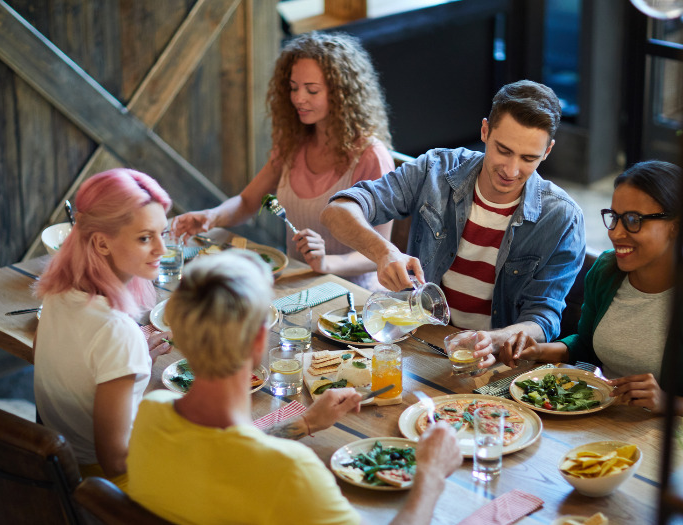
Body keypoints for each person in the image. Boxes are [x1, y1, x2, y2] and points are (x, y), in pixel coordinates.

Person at [127, 251, 463, 524]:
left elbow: (225, 458)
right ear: (260, 340)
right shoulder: (291, 472)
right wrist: (430, 476)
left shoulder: (151, 412)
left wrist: (305, 423)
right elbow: (248, 462)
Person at [321, 80, 585, 356]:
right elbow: (337, 211)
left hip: (492, 361)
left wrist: (493, 340)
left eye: (528, 158)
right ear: (485, 131)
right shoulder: (436, 170)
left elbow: (543, 319)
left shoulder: (563, 219)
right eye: (503, 150)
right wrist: (383, 252)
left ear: (548, 151)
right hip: (416, 340)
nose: (511, 170)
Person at [498, 161, 683, 428]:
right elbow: (587, 346)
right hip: (602, 423)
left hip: (666, 446)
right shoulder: (607, 271)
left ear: (674, 226)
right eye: (614, 217)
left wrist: (667, 402)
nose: (615, 233)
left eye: (633, 220)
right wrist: (539, 350)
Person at [171, 31, 394, 289]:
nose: (299, 98)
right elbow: (246, 202)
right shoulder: (293, 142)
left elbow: (382, 251)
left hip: (351, 295)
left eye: (312, 90)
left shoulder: (370, 156)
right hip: (296, 283)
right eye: (293, 87)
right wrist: (213, 216)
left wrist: (326, 263)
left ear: (342, 93)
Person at [33, 168, 175, 486]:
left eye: (162, 233)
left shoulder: (57, 294)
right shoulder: (118, 333)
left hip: (59, 472)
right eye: (144, 237)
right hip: (104, 492)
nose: (161, 250)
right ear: (101, 243)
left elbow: (59, 368)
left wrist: (127, 369)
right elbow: (115, 461)